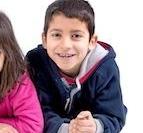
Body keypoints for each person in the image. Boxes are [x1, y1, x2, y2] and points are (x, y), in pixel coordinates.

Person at [26, 0, 127, 132]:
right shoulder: (36, 62)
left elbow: (114, 115)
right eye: (56, 35)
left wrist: (95, 126)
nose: (66, 45)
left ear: (92, 41)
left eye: (76, 36)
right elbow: (34, 111)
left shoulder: (105, 68)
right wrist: (67, 129)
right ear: (44, 39)